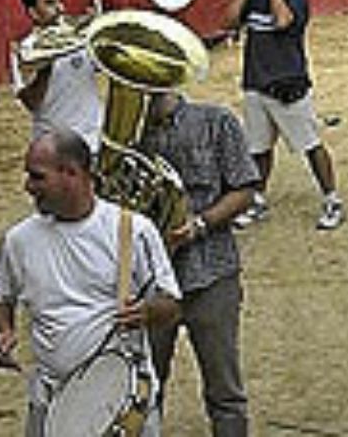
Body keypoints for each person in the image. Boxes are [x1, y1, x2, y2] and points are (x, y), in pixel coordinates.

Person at [0, 126, 182, 437]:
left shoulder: (133, 231)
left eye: (37, 176)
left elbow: (171, 304)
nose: (27, 186)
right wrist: (3, 330)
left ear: (71, 173)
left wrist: (147, 312)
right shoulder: (19, 240)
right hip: (50, 404)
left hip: (122, 404)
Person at [138, 86, 260, 437]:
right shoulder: (125, 135)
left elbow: (245, 188)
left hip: (211, 273)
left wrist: (199, 225)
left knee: (224, 391)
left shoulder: (216, 121)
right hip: (150, 282)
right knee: (143, 387)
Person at [225, 0, 343, 231]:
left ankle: (332, 199)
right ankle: (257, 199)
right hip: (255, 83)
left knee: (310, 145)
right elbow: (227, 23)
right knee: (258, 149)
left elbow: (283, 23)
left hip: (287, 85)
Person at [12, 0, 102, 148]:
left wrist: (101, 33)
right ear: (33, 12)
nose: (60, 8)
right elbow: (31, 102)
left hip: (93, 138)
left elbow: (107, 66)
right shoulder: (26, 50)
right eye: (49, 3)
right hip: (54, 145)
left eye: (59, 1)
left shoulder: (81, 38)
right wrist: (46, 63)